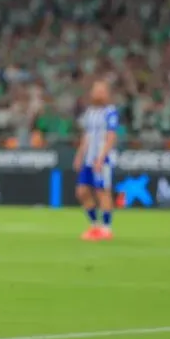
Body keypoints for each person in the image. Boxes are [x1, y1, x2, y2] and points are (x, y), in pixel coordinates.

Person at [73, 80, 119, 241]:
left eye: (102, 91)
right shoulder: (90, 112)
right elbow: (87, 136)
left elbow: (111, 136)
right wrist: (80, 155)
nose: (99, 94)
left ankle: (106, 228)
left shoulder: (110, 112)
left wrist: (101, 158)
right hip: (88, 158)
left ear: (107, 94)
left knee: (102, 191)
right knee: (82, 191)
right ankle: (94, 225)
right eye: (96, 91)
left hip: (102, 158)